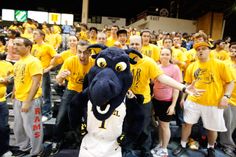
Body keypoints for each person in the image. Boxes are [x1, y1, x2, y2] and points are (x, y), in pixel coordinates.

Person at [125, 35, 204, 157]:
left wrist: (183, 87)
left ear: (142, 45)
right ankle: (128, 148)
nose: (134, 46)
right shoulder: (124, 60)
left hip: (144, 101)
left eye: (137, 44)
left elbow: (162, 78)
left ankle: (146, 150)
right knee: (128, 126)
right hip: (128, 101)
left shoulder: (148, 62)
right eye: (132, 44)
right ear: (128, 45)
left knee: (146, 128)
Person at [172, 41, 234, 157]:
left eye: (203, 48)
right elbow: (188, 84)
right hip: (193, 101)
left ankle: (211, 148)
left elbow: (230, 82)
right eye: (198, 49)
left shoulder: (220, 64)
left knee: (212, 128)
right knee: (187, 124)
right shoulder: (192, 66)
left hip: (213, 102)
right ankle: (183, 144)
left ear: (209, 50)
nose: (200, 51)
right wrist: (183, 98)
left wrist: (226, 96)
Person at [51, 40, 94, 155]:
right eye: (79, 52)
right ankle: (57, 141)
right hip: (71, 91)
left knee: (89, 119)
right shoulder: (70, 61)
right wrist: (61, 76)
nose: (82, 55)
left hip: (87, 92)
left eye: (85, 52)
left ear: (90, 53)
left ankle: (87, 142)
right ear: (76, 51)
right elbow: (58, 81)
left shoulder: (94, 63)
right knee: (61, 118)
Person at [12, 37, 44, 156]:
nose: (15, 47)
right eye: (14, 44)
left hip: (30, 100)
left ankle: (36, 151)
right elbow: (17, 79)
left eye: (19, 44)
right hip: (18, 99)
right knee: (18, 127)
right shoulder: (19, 62)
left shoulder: (33, 61)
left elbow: (36, 83)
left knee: (33, 128)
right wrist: (15, 93)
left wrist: (27, 101)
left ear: (28, 47)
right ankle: (24, 147)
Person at [151, 48, 182, 157]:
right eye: (163, 54)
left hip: (167, 102)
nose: (164, 56)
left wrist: (173, 105)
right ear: (159, 55)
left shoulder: (175, 68)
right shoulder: (157, 67)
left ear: (171, 56)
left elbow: (176, 88)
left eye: (167, 54)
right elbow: (153, 83)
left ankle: (164, 149)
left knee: (165, 126)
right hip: (156, 101)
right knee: (160, 124)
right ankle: (160, 144)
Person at [31, 29, 57, 115]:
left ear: (42, 36)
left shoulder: (48, 47)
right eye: (33, 33)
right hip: (34, 72)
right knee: (34, 92)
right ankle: (36, 111)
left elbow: (56, 57)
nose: (33, 35)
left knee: (45, 93)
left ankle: (47, 112)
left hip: (44, 72)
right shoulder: (33, 47)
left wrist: (49, 68)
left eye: (35, 33)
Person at [219, 42, 236, 157]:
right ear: (228, 50)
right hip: (225, 98)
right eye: (232, 48)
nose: (234, 50)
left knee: (232, 125)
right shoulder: (224, 63)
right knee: (227, 124)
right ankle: (227, 145)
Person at [0, 52, 13, 157]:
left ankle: (4, 149)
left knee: (4, 127)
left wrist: (7, 79)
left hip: (2, 100)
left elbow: (13, 77)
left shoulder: (7, 64)